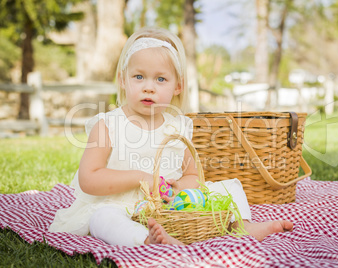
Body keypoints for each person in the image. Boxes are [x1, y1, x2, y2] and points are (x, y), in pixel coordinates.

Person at [48, 27, 293, 247]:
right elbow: (88, 180)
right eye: (139, 77)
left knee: (226, 187)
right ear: (123, 80)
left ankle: (239, 225)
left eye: (161, 79)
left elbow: (193, 176)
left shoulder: (177, 127)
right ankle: (146, 239)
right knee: (101, 219)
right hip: (120, 205)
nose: (149, 87)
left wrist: (178, 186)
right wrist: (140, 178)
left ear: (177, 86)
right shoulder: (109, 125)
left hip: (170, 205)